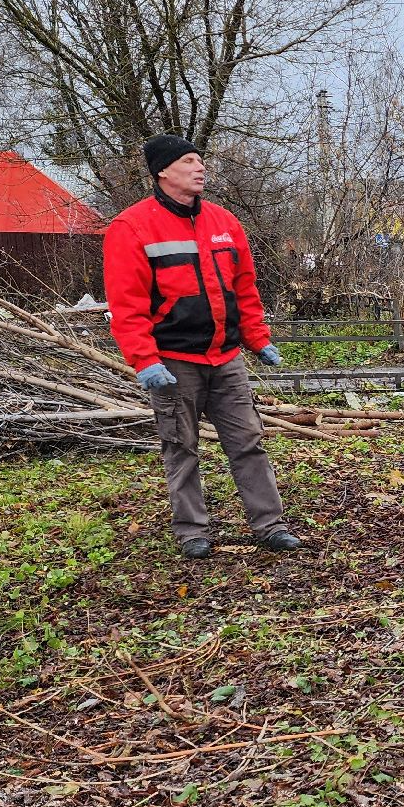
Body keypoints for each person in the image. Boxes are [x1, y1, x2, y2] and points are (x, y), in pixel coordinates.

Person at [103, 134, 302, 559]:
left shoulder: (224, 222)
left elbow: (244, 288)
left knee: (249, 442)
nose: (200, 167)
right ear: (162, 171)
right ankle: (192, 531)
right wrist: (145, 361)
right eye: (189, 161)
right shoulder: (132, 227)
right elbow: (127, 305)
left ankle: (271, 525)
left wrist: (257, 338)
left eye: (200, 160)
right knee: (181, 446)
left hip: (225, 357)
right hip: (175, 362)